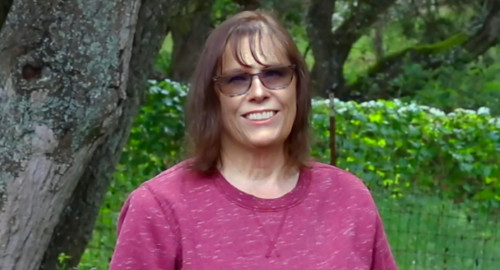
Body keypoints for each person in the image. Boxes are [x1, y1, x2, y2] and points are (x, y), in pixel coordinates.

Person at [110, 10, 397, 270]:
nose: (258, 92)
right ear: (213, 98)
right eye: (237, 79)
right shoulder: (159, 208)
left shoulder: (349, 199)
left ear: (297, 87)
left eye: (274, 74)